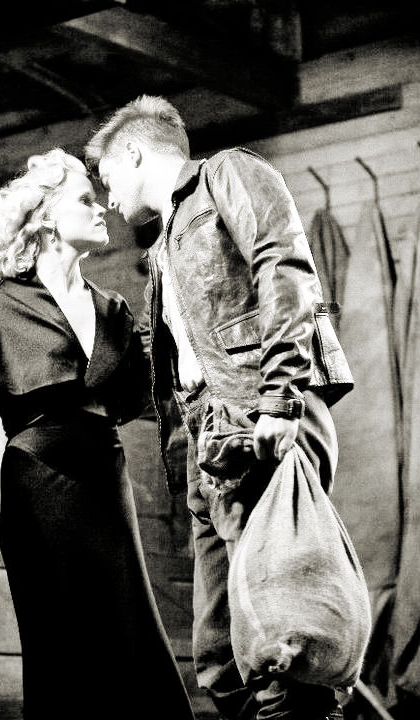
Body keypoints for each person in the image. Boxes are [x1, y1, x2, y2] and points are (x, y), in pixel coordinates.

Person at [84, 96, 354, 720]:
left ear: (134, 153)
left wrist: (279, 397)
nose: (109, 198)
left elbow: (283, 265)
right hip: (205, 435)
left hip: (257, 412)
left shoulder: (227, 173)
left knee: (284, 632)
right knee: (221, 651)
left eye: (108, 178)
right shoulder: (165, 246)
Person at [0, 148, 195, 720]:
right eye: (86, 200)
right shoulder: (6, 301)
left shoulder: (114, 310)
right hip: (37, 488)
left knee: (133, 636)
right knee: (59, 649)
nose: (102, 210)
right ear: (47, 218)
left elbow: (145, 396)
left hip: (107, 480)